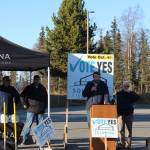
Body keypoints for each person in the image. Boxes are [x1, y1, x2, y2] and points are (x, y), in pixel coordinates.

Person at [20, 75, 47, 144]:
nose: (37, 81)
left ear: (39, 80)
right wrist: (24, 104)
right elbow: (21, 96)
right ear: (33, 80)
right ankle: (24, 139)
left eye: (38, 79)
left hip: (40, 110)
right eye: (36, 79)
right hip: (30, 109)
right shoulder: (29, 87)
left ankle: (39, 140)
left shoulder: (42, 88)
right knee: (28, 125)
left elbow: (46, 98)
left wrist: (44, 107)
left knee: (40, 125)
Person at [117, 81, 140, 149]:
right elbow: (115, 101)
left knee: (129, 130)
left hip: (129, 114)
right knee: (121, 130)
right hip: (120, 114)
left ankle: (128, 145)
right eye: (125, 86)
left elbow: (137, 97)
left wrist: (131, 92)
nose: (126, 87)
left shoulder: (131, 93)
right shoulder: (119, 93)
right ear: (122, 86)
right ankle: (122, 144)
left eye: (127, 86)